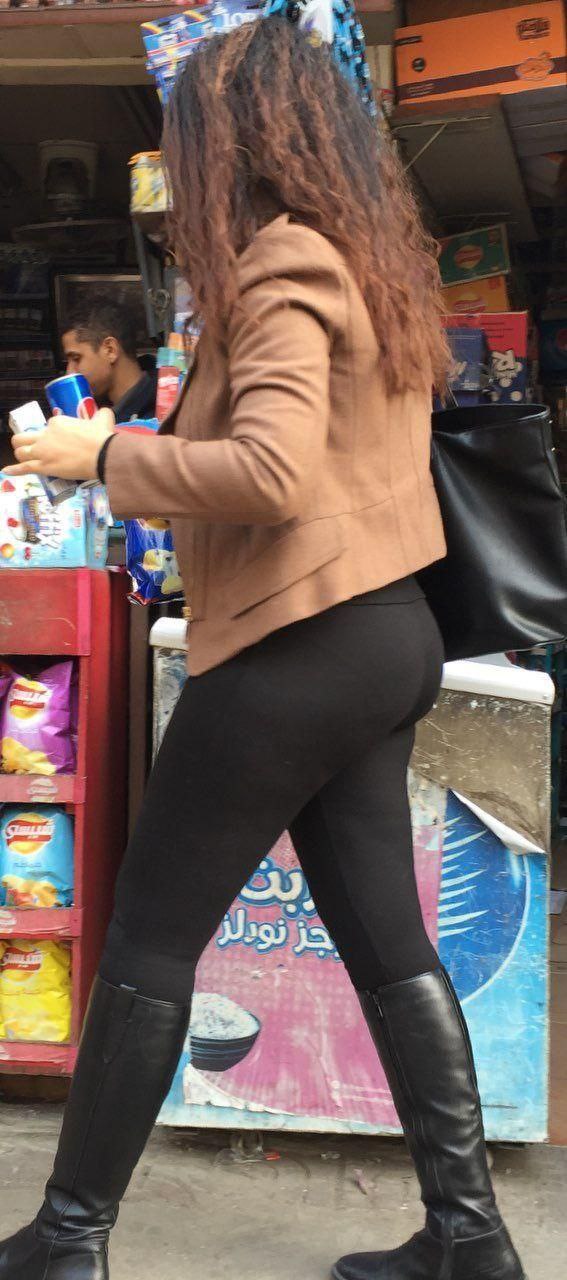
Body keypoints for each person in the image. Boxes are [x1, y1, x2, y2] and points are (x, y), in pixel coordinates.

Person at [1, 17, 525, 1280]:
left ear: (234, 142)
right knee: (390, 944)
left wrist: (105, 454)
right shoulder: (369, 259)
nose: (178, 167)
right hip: (380, 634)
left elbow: (273, 471)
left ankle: (67, 1240)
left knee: (148, 938)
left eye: (186, 138)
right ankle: (470, 1236)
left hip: (299, 646)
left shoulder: (284, 261)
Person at [61, 296, 157, 422]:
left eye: (76, 358)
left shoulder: (162, 413)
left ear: (110, 350)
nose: (69, 372)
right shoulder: (98, 411)